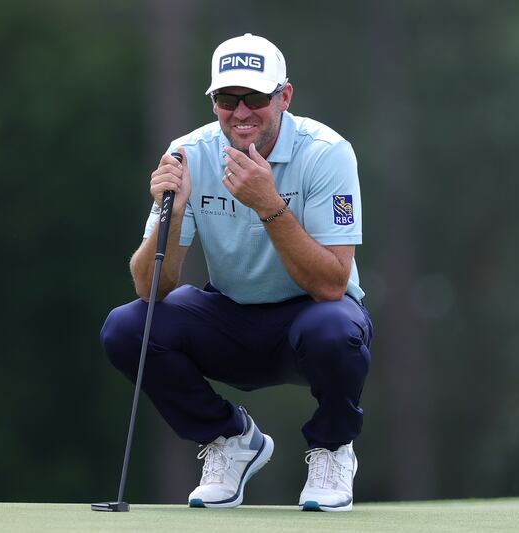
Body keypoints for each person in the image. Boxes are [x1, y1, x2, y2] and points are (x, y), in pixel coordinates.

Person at [100, 33, 373, 512]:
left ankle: (332, 448)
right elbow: (150, 287)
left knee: (336, 328)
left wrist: (269, 204)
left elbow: (332, 282)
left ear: (284, 96)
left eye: (256, 98)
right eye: (228, 99)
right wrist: (175, 214)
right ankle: (230, 440)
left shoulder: (327, 152)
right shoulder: (188, 153)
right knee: (127, 327)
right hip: (230, 317)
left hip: (311, 319)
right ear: (213, 102)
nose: (241, 112)